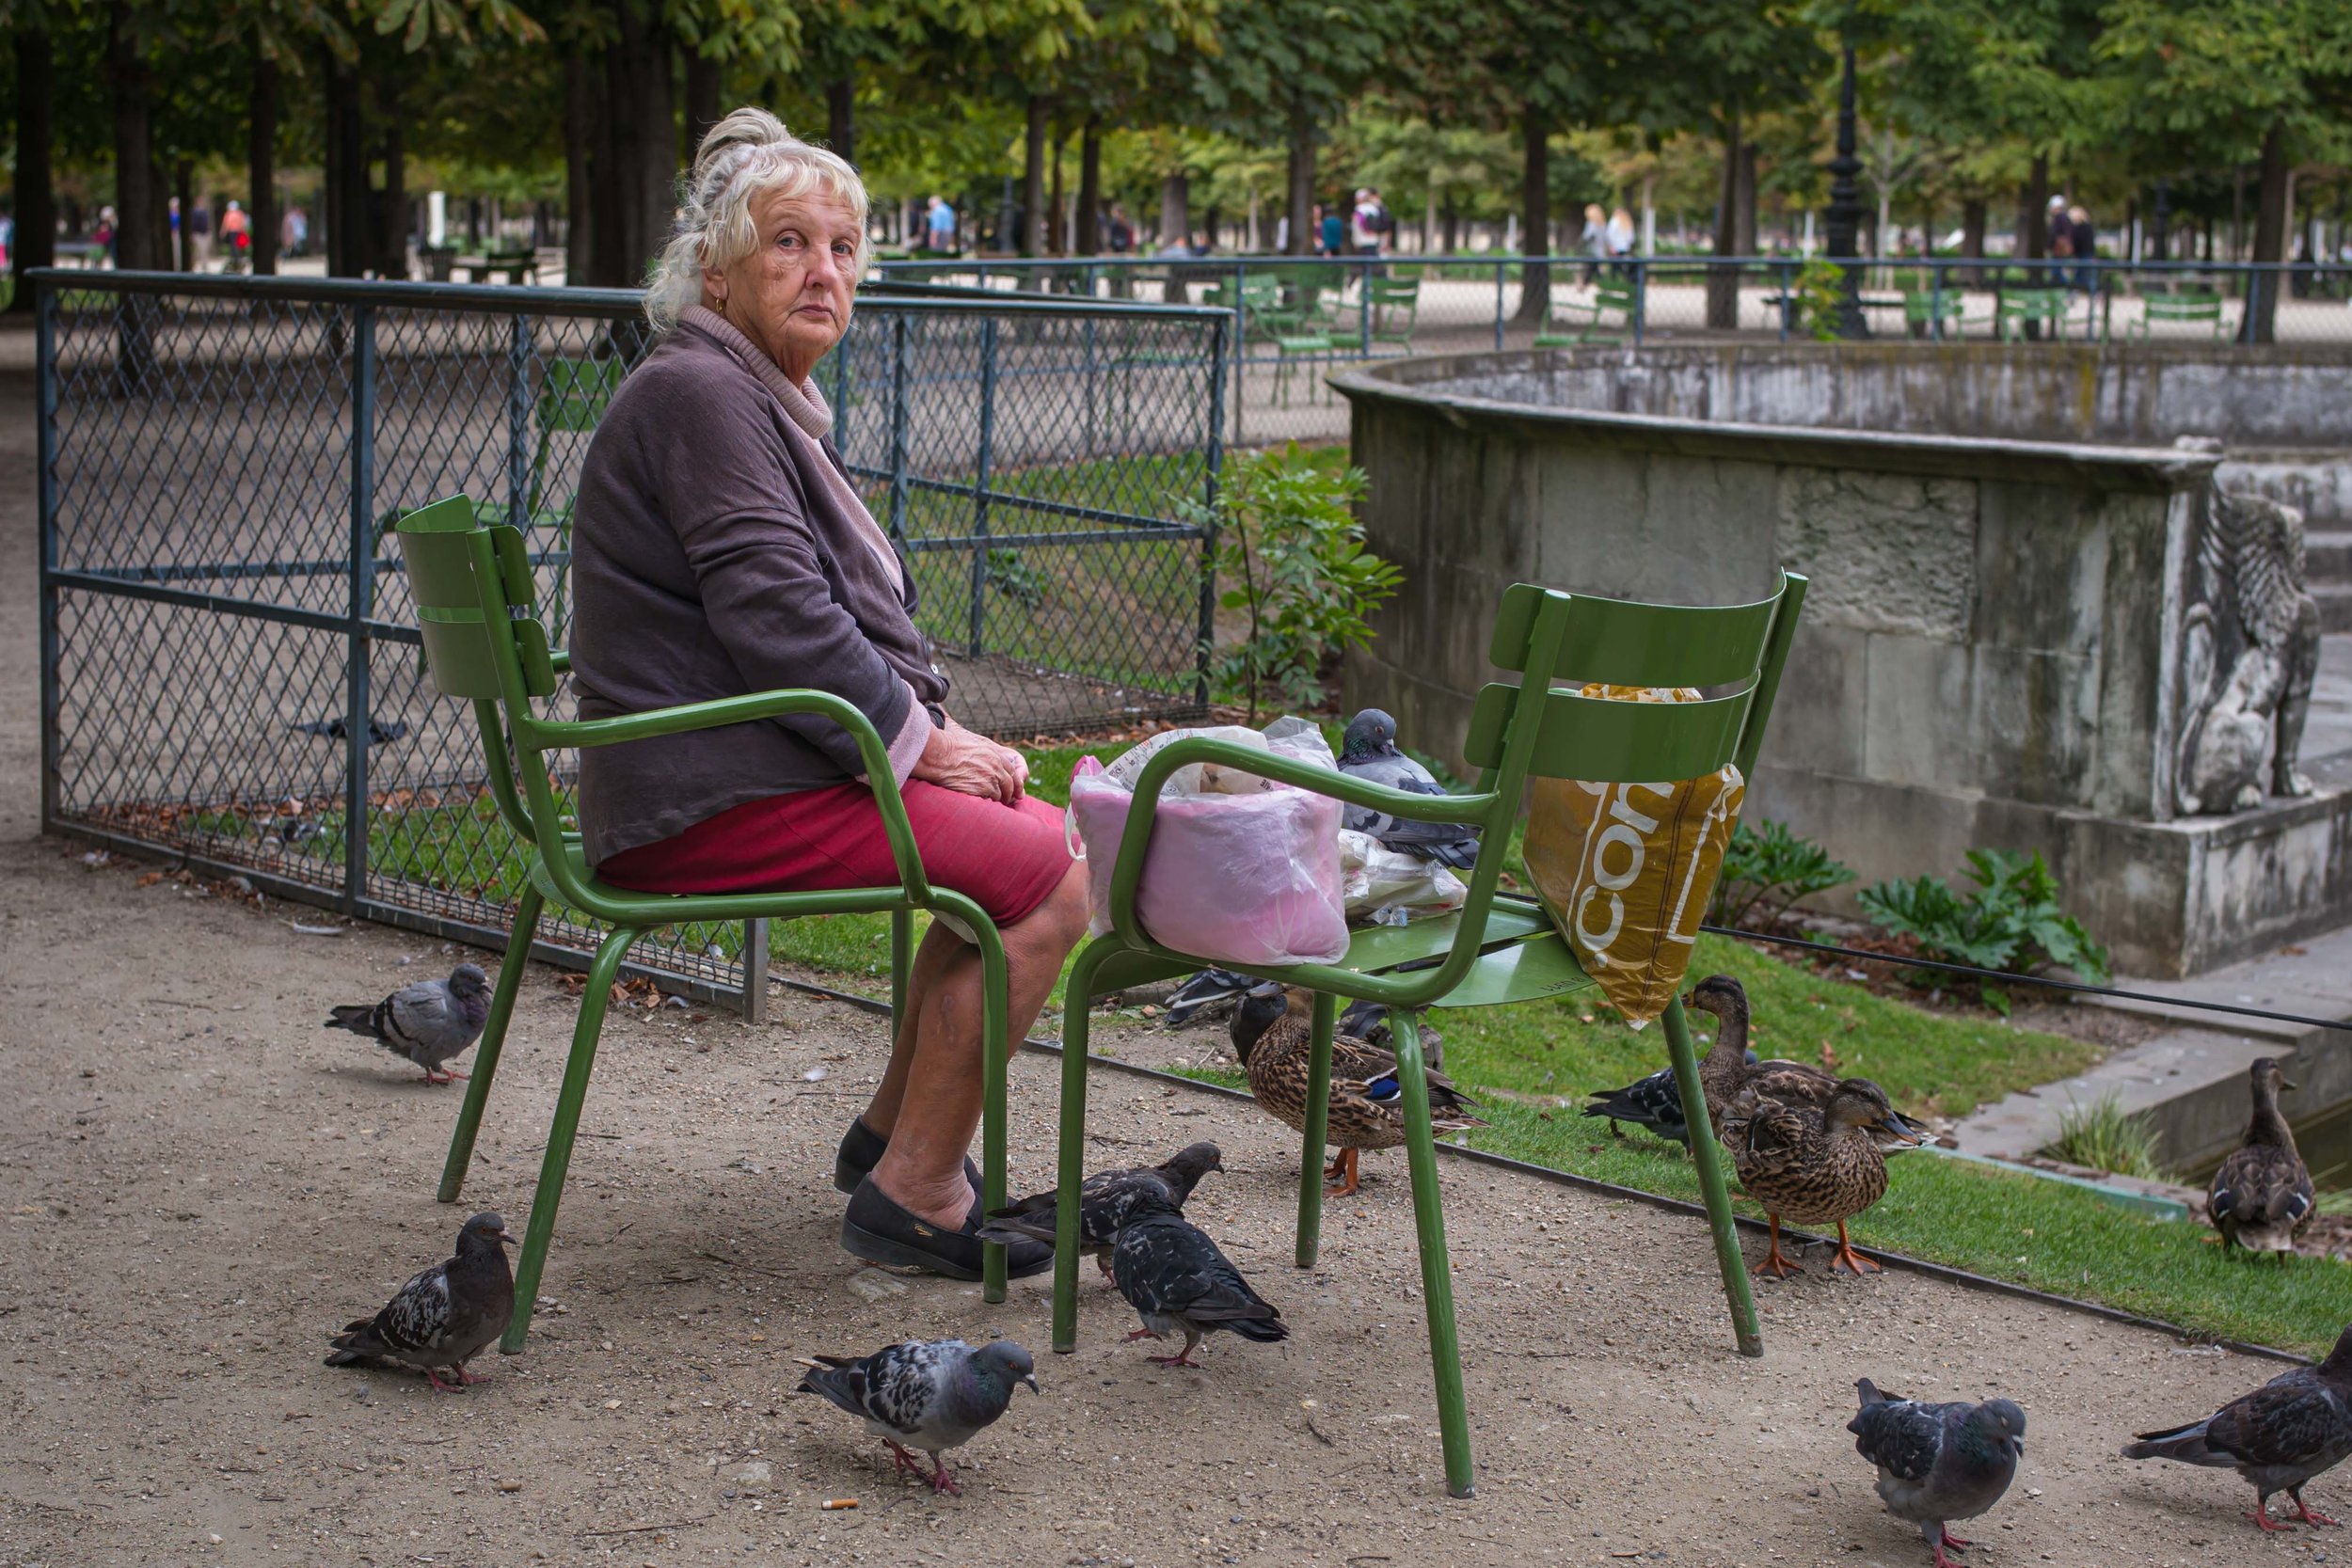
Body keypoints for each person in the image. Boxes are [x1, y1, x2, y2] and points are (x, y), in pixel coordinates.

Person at [572, 109, 1089, 1281]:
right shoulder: (704, 395)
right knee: (1058, 877)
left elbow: (787, 618)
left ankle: (886, 1140)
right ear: (716, 270)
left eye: (844, 247)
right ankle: (913, 1189)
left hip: (721, 763)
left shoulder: (727, 386)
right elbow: (782, 623)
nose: (824, 270)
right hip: (708, 789)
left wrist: (927, 734)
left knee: (1017, 842)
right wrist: (915, 743)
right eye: (789, 242)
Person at [2067, 204, 2096, 293]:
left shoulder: (2078, 228)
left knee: (2081, 276)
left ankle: (2074, 293)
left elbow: (2078, 242)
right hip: (2088, 254)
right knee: (2085, 276)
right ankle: (2093, 294)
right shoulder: (2088, 227)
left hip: (2083, 255)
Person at [1580, 202, 1609, 284]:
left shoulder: (1592, 224)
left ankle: (1585, 284)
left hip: (1592, 251)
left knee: (1592, 269)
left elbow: (1587, 236)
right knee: (1594, 269)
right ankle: (1587, 283)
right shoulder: (1603, 224)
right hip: (1600, 250)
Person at [220, 199, 251, 273]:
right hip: (234, 231)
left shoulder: (232, 214)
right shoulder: (236, 213)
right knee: (235, 246)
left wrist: (223, 232)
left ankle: (236, 259)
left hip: (235, 231)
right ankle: (236, 259)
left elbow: (226, 224)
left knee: (235, 246)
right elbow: (227, 224)